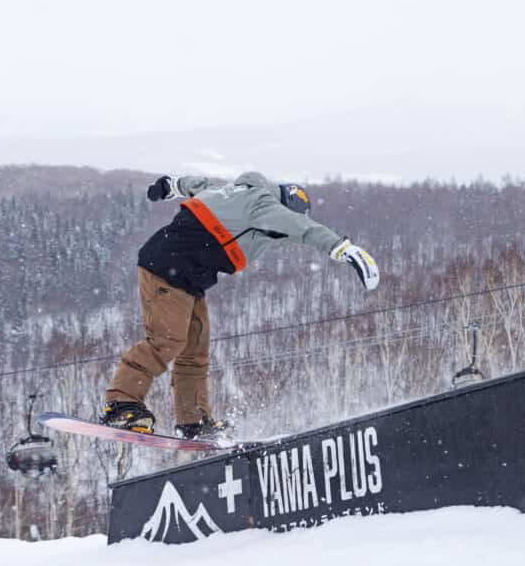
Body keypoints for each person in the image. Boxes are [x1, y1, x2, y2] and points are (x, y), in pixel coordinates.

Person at [100, 171, 379, 439]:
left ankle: (193, 421)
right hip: (165, 269)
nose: (282, 233)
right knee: (166, 341)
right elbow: (303, 229)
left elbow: (197, 185)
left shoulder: (238, 194)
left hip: (187, 277)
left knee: (194, 352)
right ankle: (122, 403)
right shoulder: (263, 204)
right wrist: (343, 249)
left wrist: (170, 185)